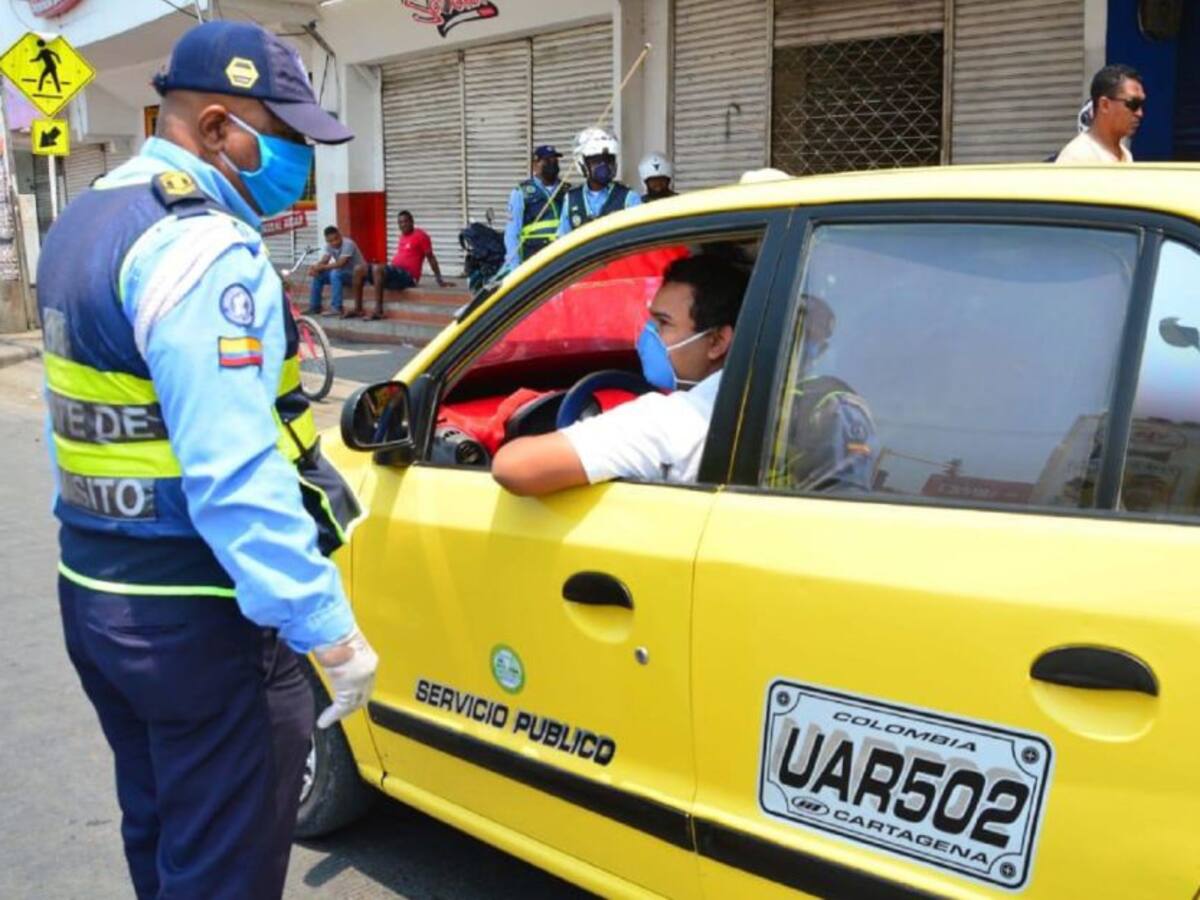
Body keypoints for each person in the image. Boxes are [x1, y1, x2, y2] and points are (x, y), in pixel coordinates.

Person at [34, 22, 378, 900]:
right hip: (199, 618)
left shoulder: (86, 221)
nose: (300, 158)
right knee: (222, 866)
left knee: (162, 834)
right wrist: (326, 630)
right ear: (220, 126)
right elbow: (234, 471)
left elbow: (71, 426)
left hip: (98, 596)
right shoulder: (202, 245)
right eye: (288, 134)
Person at [491, 253, 748, 494]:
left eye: (664, 322)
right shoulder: (763, 395)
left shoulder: (668, 423)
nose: (648, 333)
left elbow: (513, 466)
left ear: (716, 342)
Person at [352, 209, 448, 320]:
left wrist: (439, 279)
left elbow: (431, 258)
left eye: (405, 221)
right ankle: (357, 309)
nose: (403, 225)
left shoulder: (421, 236)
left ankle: (378, 310)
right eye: (400, 222)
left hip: (408, 277)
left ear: (412, 221)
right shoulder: (402, 236)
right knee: (358, 269)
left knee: (378, 269)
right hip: (395, 273)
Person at [558, 127, 641, 238]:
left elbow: (638, 238)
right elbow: (562, 241)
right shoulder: (571, 199)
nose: (604, 165)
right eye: (596, 160)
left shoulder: (629, 198)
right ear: (582, 163)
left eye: (608, 159)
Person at [1056, 64, 1145, 164]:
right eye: (1133, 104)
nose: (1139, 113)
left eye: (1142, 105)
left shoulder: (1126, 155)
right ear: (1105, 105)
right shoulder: (1077, 157)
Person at [504, 144, 569, 269]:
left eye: (555, 160)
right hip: (533, 259)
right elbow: (512, 233)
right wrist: (514, 267)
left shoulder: (566, 190)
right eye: (547, 160)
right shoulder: (521, 192)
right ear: (535, 165)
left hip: (561, 257)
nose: (552, 164)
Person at [308, 224, 367, 317]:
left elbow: (340, 263)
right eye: (330, 241)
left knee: (335, 273)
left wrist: (322, 267)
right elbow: (325, 260)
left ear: (340, 235)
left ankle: (337, 308)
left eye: (336, 239)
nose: (334, 242)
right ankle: (314, 307)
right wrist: (315, 267)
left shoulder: (348, 244)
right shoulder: (329, 246)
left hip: (357, 276)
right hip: (343, 274)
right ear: (327, 240)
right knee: (319, 275)